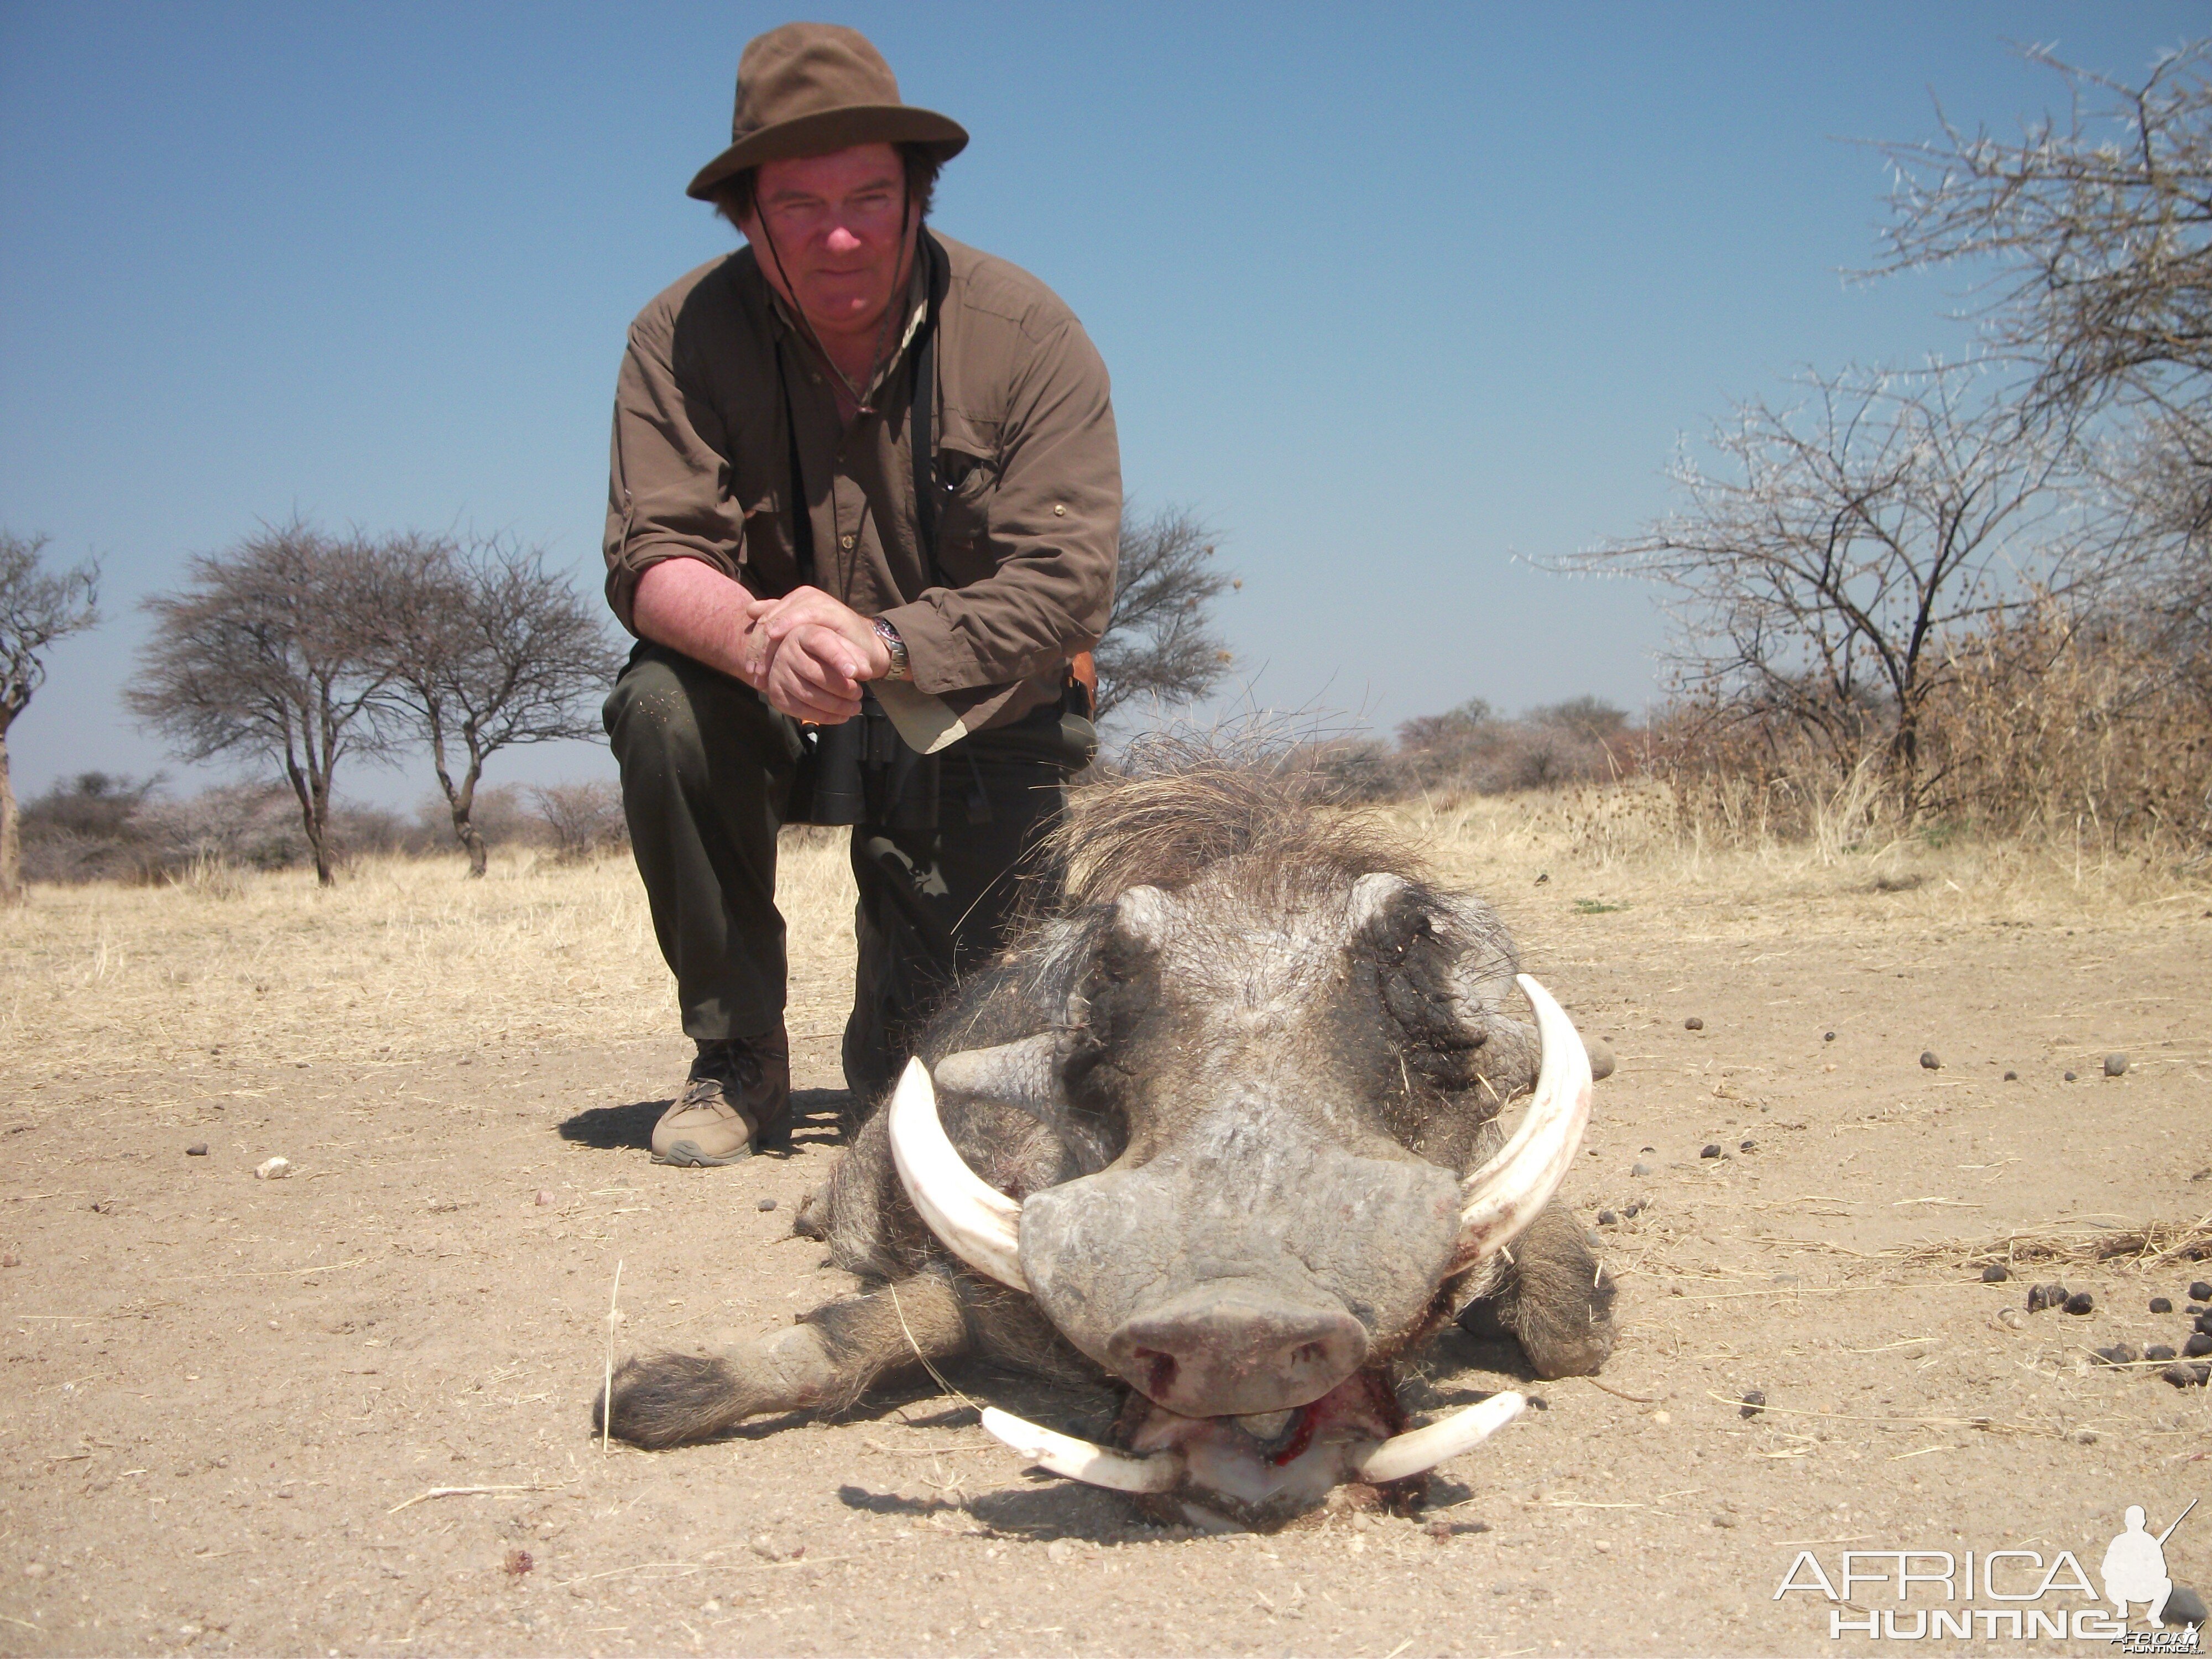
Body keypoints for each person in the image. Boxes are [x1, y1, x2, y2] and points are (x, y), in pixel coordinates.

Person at [601, 23, 1120, 1166]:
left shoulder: (1030, 334)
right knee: (659, 710)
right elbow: (652, 560)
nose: (839, 236)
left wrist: (882, 641)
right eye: (796, 204)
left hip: (964, 707)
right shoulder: (674, 336)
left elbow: (1066, 581)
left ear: (916, 196)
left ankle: (898, 1035)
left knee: (930, 1089)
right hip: (768, 694)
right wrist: (758, 641)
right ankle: (737, 1053)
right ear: (744, 214)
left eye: (870, 197)